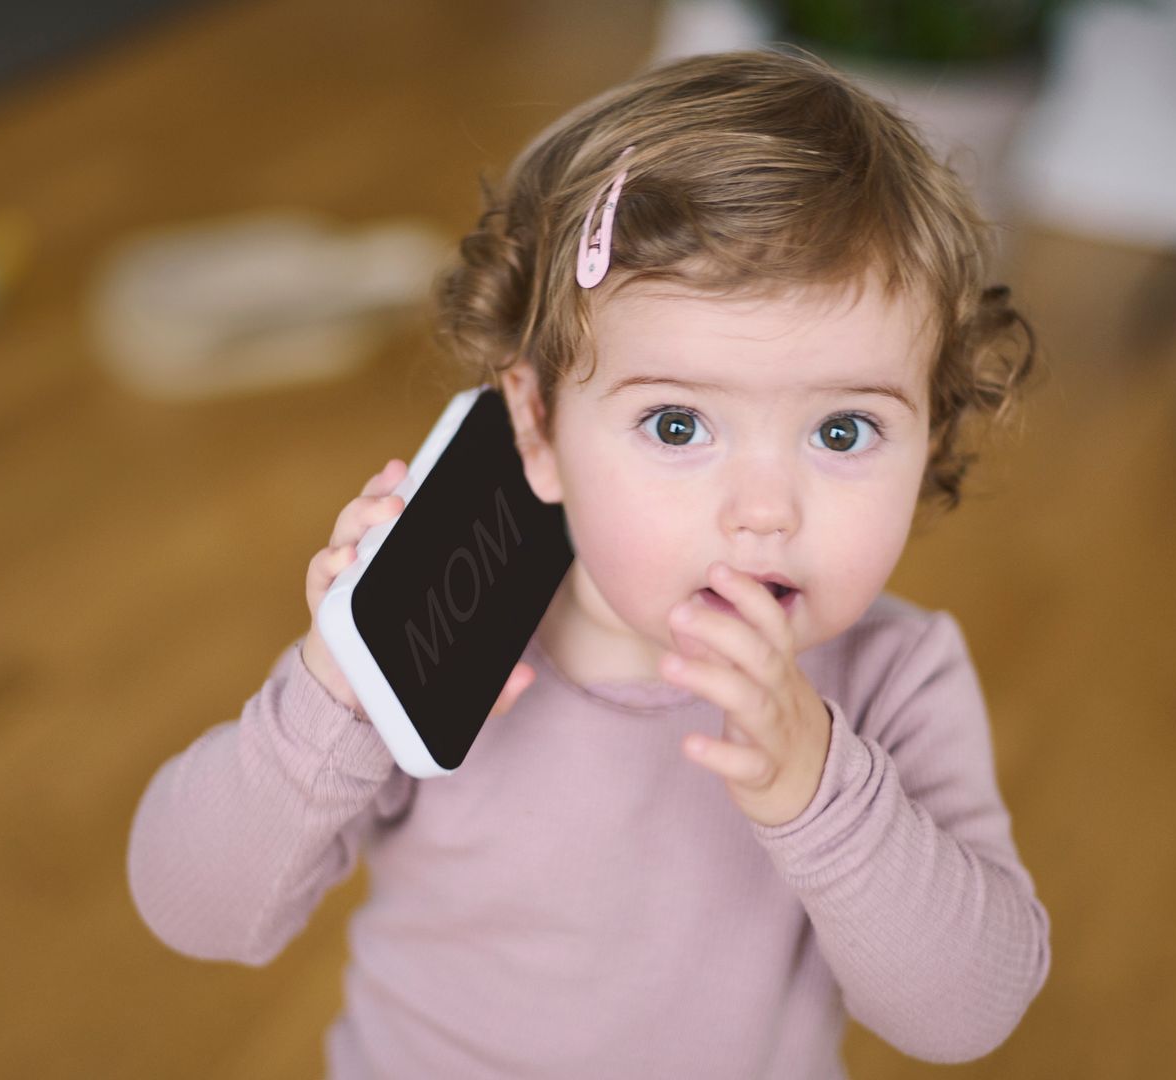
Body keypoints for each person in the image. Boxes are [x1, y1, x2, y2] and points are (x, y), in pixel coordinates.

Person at [127, 45, 1050, 1078]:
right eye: (675, 423)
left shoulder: (896, 677)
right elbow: (193, 908)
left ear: (933, 430)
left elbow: (968, 1013)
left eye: (842, 432)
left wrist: (817, 787)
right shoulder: (447, 630)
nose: (762, 511)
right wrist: (329, 696)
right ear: (538, 426)